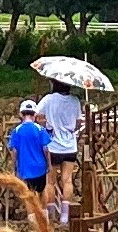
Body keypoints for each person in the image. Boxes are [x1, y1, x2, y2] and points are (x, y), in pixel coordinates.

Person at [35, 83, 85, 222]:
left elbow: (37, 114)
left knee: (50, 181)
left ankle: (51, 213)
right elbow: (78, 123)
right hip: (70, 146)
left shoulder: (48, 99)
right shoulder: (75, 100)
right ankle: (65, 215)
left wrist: (46, 124)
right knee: (67, 180)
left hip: (53, 146)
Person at [6, 101, 54, 212]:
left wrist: (14, 168)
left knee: (28, 194)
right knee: (42, 191)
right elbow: (46, 149)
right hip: (40, 166)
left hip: (25, 168)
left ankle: (32, 218)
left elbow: (14, 151)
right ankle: (44, 215)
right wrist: (49, 164)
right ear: (35, 114)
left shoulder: (17, 131)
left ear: (21, 114)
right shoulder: (40, 129)